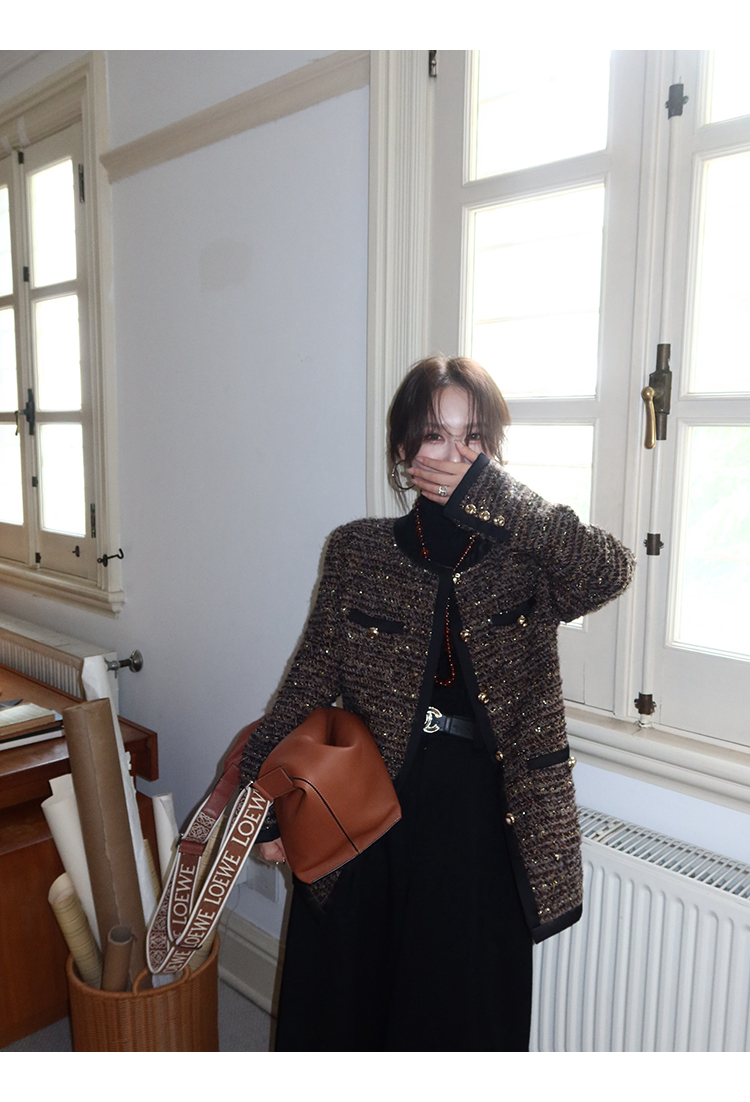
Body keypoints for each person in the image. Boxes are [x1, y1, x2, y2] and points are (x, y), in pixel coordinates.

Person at [240, 356, 634, 1051]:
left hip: (483, 810)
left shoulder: (526, 558)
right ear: (403, 449)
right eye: (435, 436)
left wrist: (497, 496)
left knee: (459, 1011)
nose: (455, 456)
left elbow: (608, 569)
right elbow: (307, 683)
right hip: (365, 799)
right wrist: (259, 805)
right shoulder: (357, 551)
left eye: (472, 437)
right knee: (347, 1003)